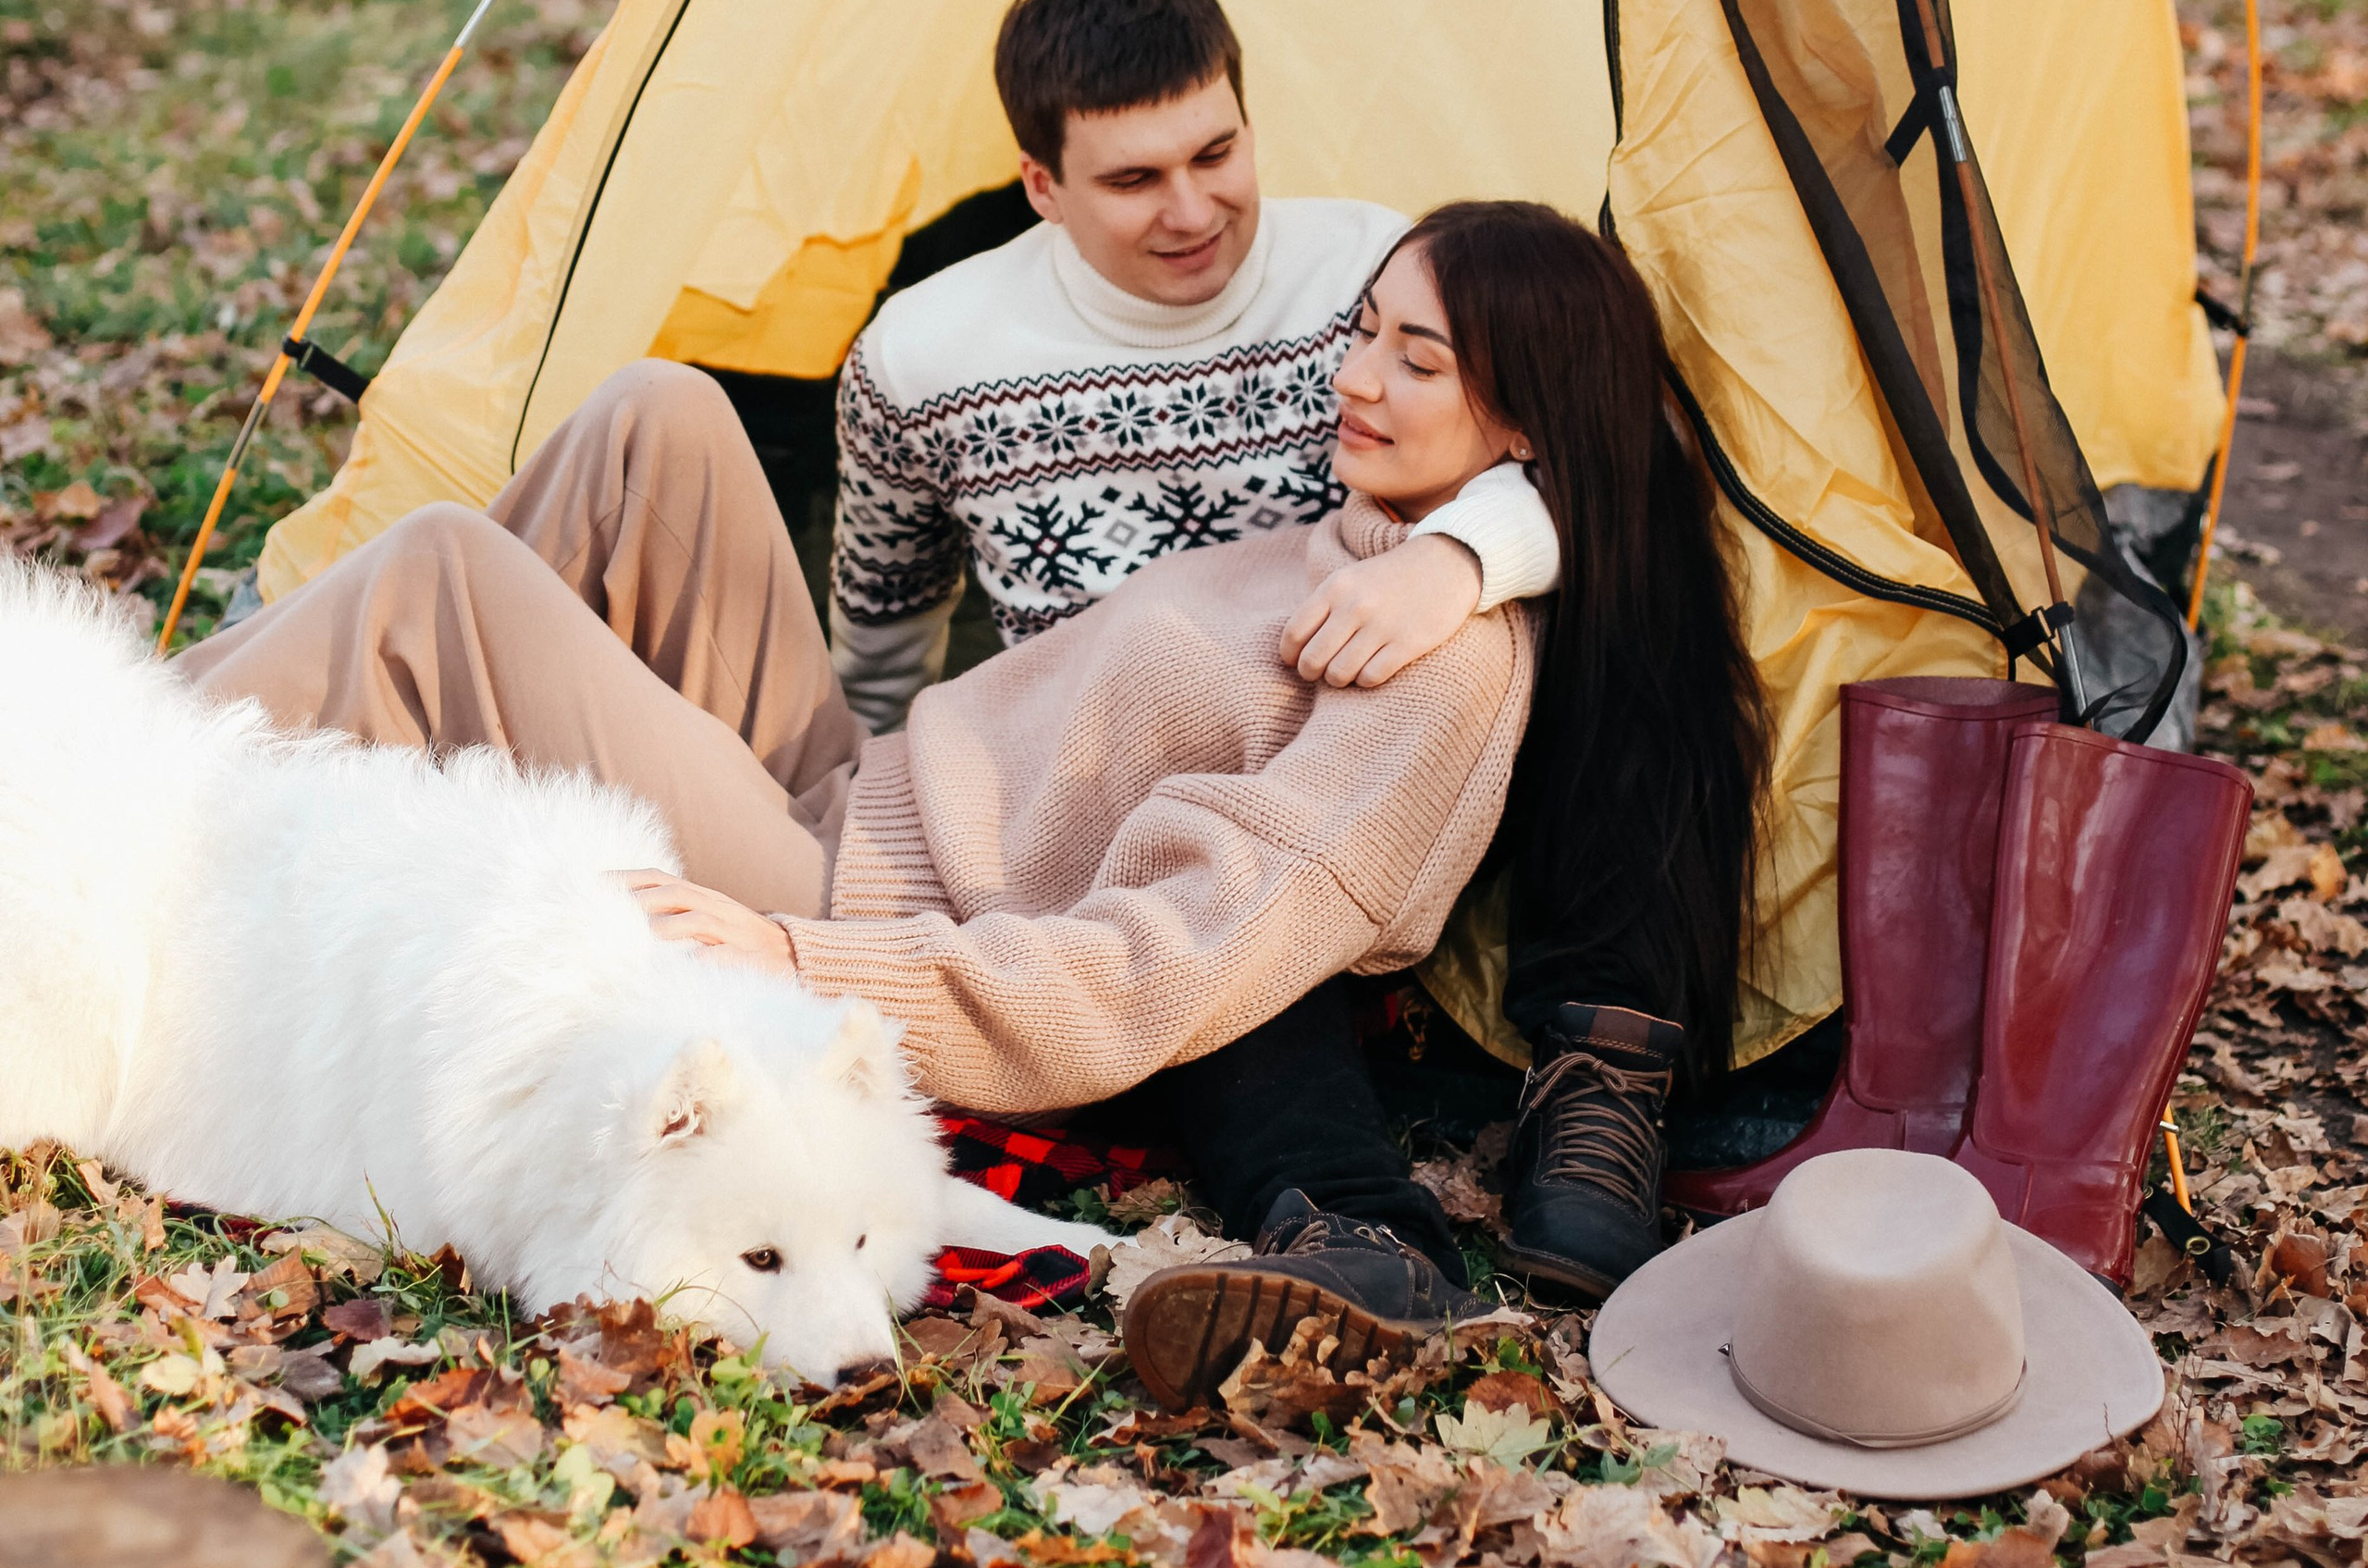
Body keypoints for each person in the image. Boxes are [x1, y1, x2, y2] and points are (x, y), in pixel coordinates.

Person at [182, 202, 1768, 1384]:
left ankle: (118, 752)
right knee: (658, 417)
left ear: (1523, 424)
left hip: (848, 897)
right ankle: (267, 710)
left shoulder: (1438, 676)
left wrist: (803, 963)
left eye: (1418, 360)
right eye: (1367, 332)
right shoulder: (1400, 544)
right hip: (854, 791)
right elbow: (1605, 468)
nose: (1357, 379)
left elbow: (1175, 970)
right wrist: (1484, 534)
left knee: (449, 581)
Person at [829, 0, 1560, 724]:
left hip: (1334, 755)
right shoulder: (918, 359)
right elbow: (883, 633)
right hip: (1063, 776)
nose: (1192, 213)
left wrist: (1461, 559)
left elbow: (1602, 474)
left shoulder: (1376, 275)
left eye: (1216, 155)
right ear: (1042, 186)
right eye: (1132, 181)